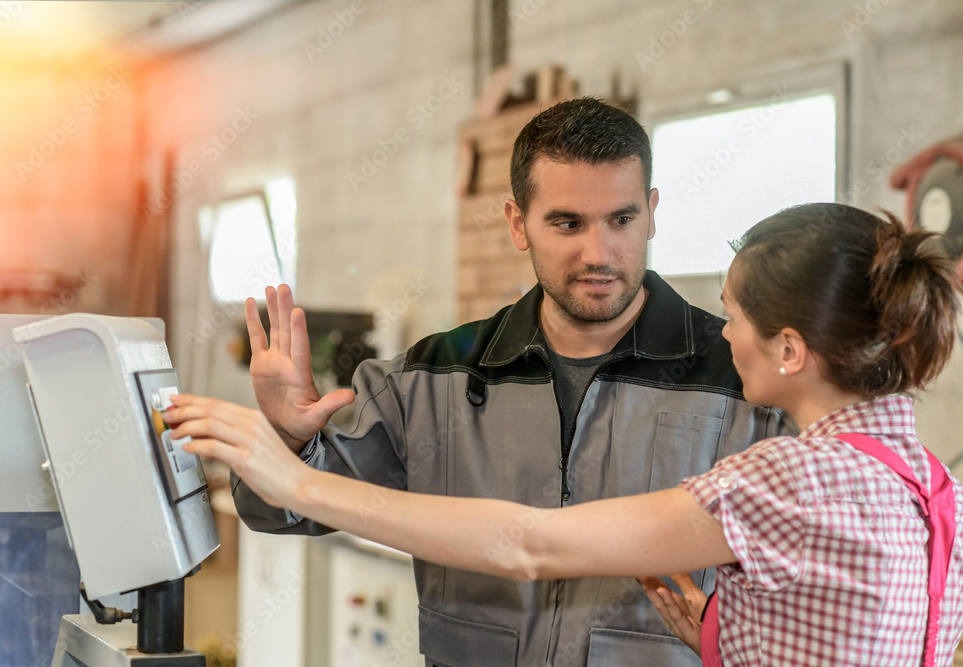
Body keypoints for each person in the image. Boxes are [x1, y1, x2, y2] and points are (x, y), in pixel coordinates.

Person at [168, 203, 963, 665]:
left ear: (791, 349)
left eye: (738, 316)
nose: (726, 335)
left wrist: (295, 478)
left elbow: (529, 545)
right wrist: (728, 639)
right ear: (518, 224)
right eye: (567, 221)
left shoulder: (784, 476)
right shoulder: (933, 486)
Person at [210, 97, 791, 666]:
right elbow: (278, 508)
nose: (600, 252)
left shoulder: (740, 378)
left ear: (652, 211)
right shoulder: (434, 377)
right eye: (568, 223)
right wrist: (286, 439)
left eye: (622, 219)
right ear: (519, 224)